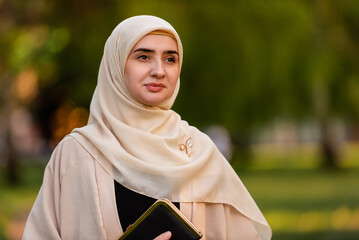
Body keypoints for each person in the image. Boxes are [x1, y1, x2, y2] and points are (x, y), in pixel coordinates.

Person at [22, 15, 271, 240]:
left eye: (170, 59)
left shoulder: (199, 152)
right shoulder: (76, 154)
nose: (159, 71)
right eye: (143, 56)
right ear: (116, 65)